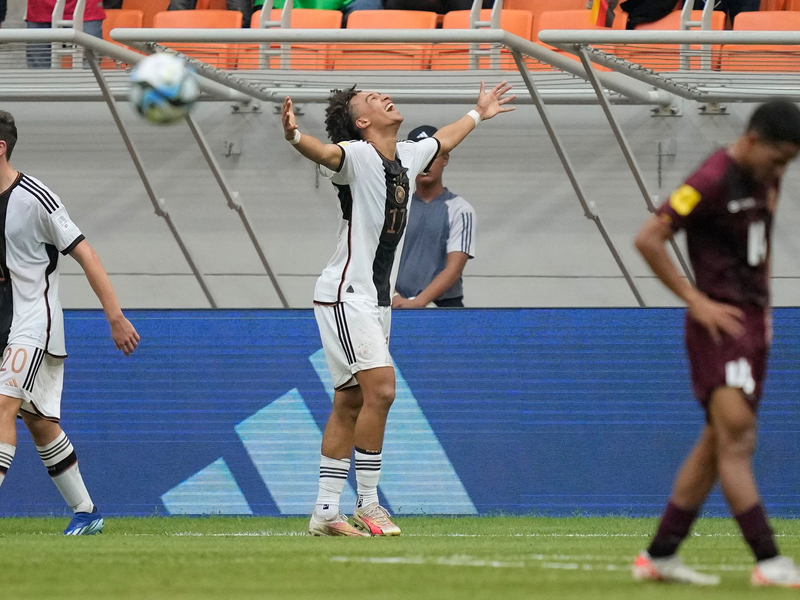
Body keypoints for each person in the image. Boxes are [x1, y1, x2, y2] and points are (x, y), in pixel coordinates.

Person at [281, 81, 514, 536]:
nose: (382, 95)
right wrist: (293, 135)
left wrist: (479, 112)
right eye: (369, 99)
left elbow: (443, 138)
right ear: (363, 122)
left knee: (350, 401)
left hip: (375, 300)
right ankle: (369, 503)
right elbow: (325, 154)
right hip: (346, 293)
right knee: (382, 391)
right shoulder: (357, 155)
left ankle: (326, 512)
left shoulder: (407, 155)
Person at [633, 100, 800, 587]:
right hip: (718, 327)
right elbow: (648, 238)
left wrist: (763, 311)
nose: (781, 169)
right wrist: (695, 300)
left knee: (715, 442)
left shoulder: (767, 176)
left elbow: (760, 248)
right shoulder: (707, 181)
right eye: (778, 159)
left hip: (750, 325)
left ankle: (660, 556)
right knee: (738, 438)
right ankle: (768, 561)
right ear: (750, 141)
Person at [0, 111, 139, 535]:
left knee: (2, 405)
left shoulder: (35, 197)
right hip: (3, 322)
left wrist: (114, 316)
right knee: (39, 421)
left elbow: (85, 253)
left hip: (32, 320)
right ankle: (87, 511)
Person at [393, 125, 475, 309]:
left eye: (432, 156)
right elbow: (378, 260)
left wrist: (419, 303)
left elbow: (454, 269)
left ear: (445, 158)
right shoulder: (394, 208)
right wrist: (394, 297)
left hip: (445, 308)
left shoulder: (460, 209)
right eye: (420, 157)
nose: (426, 164)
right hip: (396, 306)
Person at [26, 0, 105, 68]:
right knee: (39, 66)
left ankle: (89, 85)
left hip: (87, 7)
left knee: (91, 62)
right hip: (40, 7)